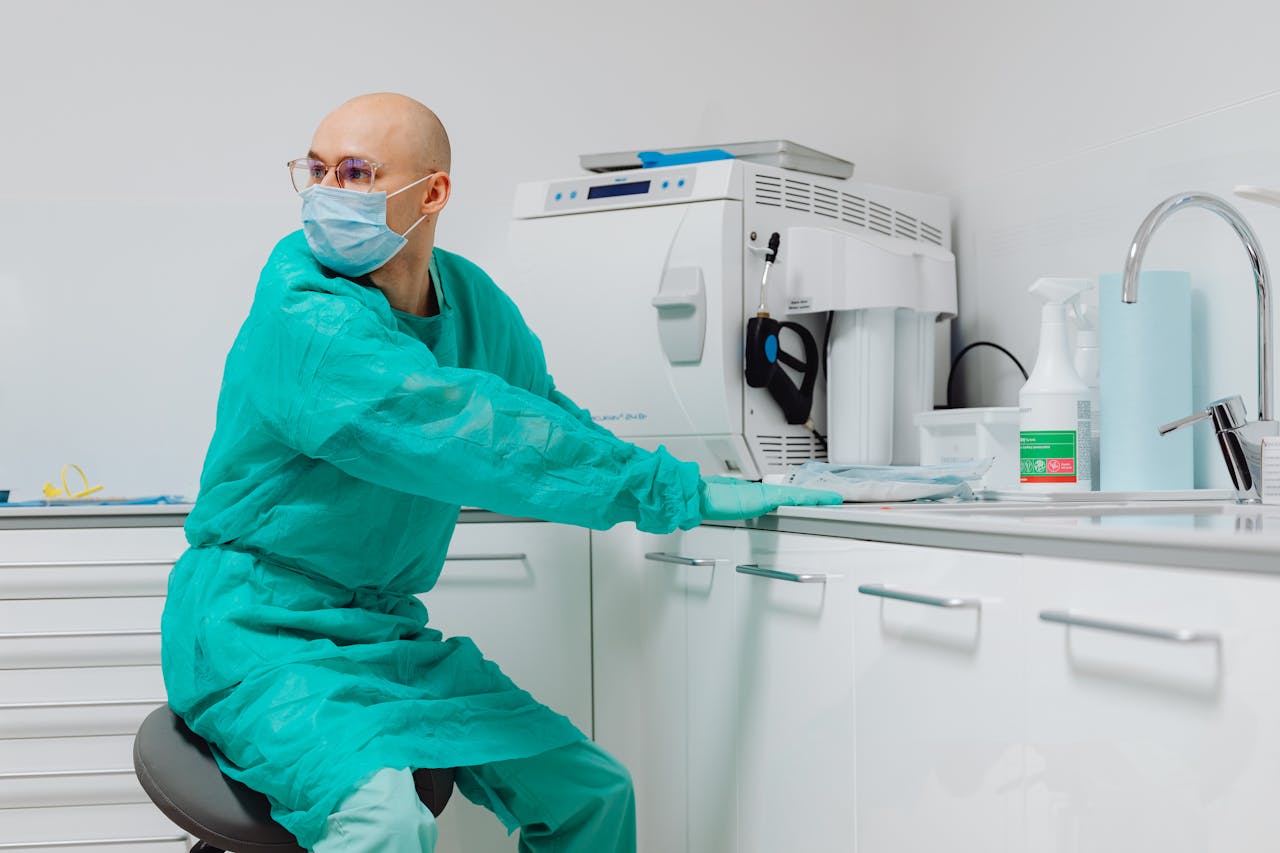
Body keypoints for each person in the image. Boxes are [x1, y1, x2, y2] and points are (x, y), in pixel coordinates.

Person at [159, 92, 842, 853]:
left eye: (355, 171)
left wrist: (689, 474)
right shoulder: (303, 310)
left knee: (592, 793)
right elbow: (455, 427)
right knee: (383, 821)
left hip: (381, 636)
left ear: (434, 191)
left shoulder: (473, 304)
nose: (326, 192)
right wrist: (664, 488)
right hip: (256, 632)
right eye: (315, 170)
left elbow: (539, 415)